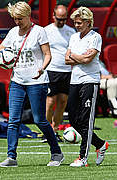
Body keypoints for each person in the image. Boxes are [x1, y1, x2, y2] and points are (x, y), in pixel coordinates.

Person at [0, 1, 63, 167]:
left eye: (20, 18)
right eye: (14, 18)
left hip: (37, 82)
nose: (17, 22)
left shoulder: (39, 32)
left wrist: (42, 68)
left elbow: (48, 54)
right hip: (17, 82)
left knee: (40, 120)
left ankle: (56, 153)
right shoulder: (13, 32)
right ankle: (11, 157)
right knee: (13, 120)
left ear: (28, 16)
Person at [65, 7, 108, 167]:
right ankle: (101, 144)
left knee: (86, 119)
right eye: (75, 22)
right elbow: (66, 59)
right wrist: (80, 57)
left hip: (90, 81)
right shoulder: (74, 37)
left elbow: (87, 60)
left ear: (88, 22)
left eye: (79, 23)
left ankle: (83, 158)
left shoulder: (95, 37)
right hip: (74, 81)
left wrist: (76, 56)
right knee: (73, 119)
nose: (76, 25)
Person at [44, 5, 76, 141]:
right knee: (50, 101)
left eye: (64, 19)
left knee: (63, 101)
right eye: (59, 19)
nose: (62, 22)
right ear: (53, 16)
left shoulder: (71, 31)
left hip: (67, 70)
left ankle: (55, 130)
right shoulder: (46, 31)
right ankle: (46, 130)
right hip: (52, 69)